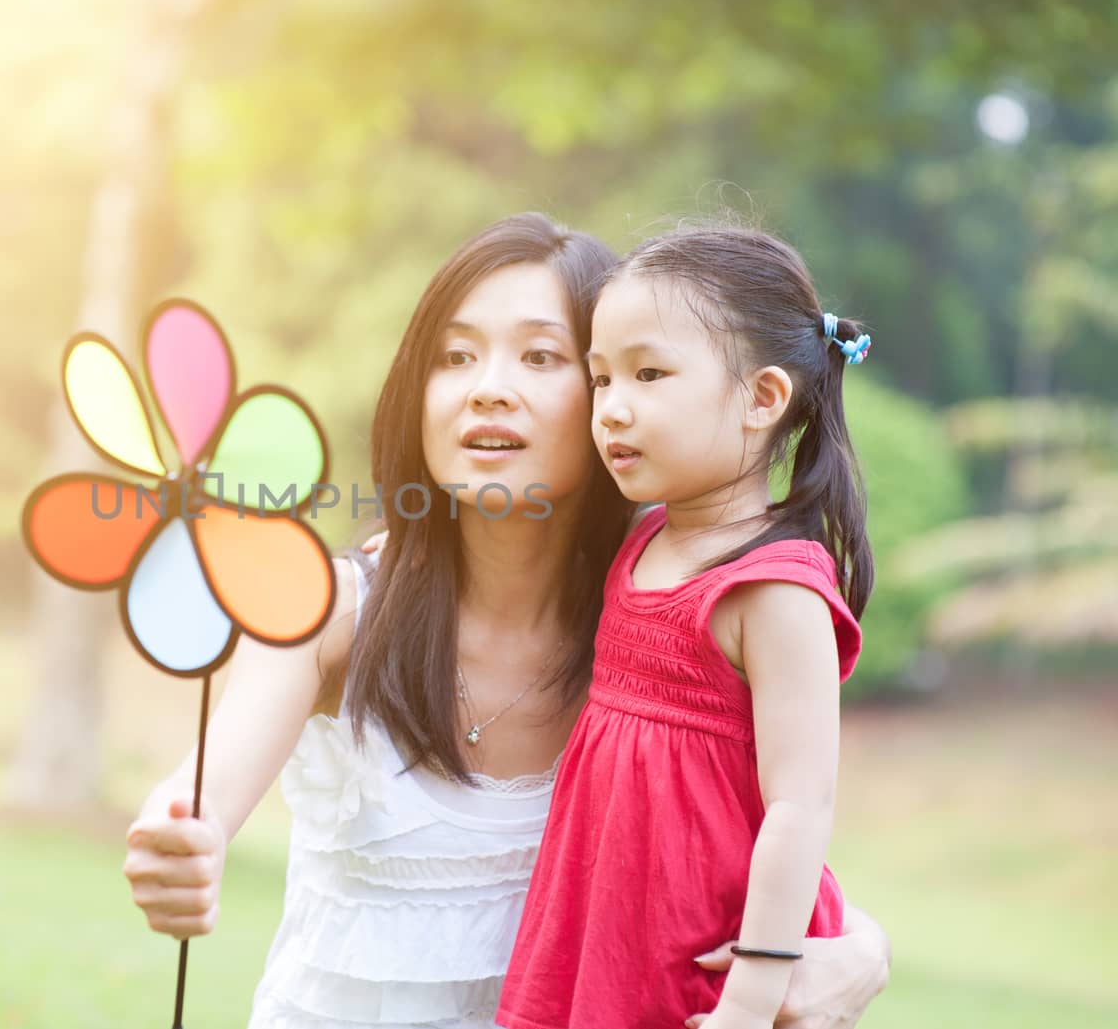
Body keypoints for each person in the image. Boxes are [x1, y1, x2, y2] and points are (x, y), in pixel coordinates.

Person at [123, 214, 891, 1029]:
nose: (488, 386)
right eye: (455, 356)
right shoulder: (335, 606)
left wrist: (862, 949)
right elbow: (205, 785)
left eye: (540, 357)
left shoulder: (666, 614)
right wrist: (180, 831)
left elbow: (757, 830)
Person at [496, 225, 877, 1029]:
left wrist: (752, 995)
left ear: (762, 397)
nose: (613, 407)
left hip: (703, 956)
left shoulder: (775, 589)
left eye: (649, 373)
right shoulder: (642, 538)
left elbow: (800, 807)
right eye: (601, 379)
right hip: (604, 925)